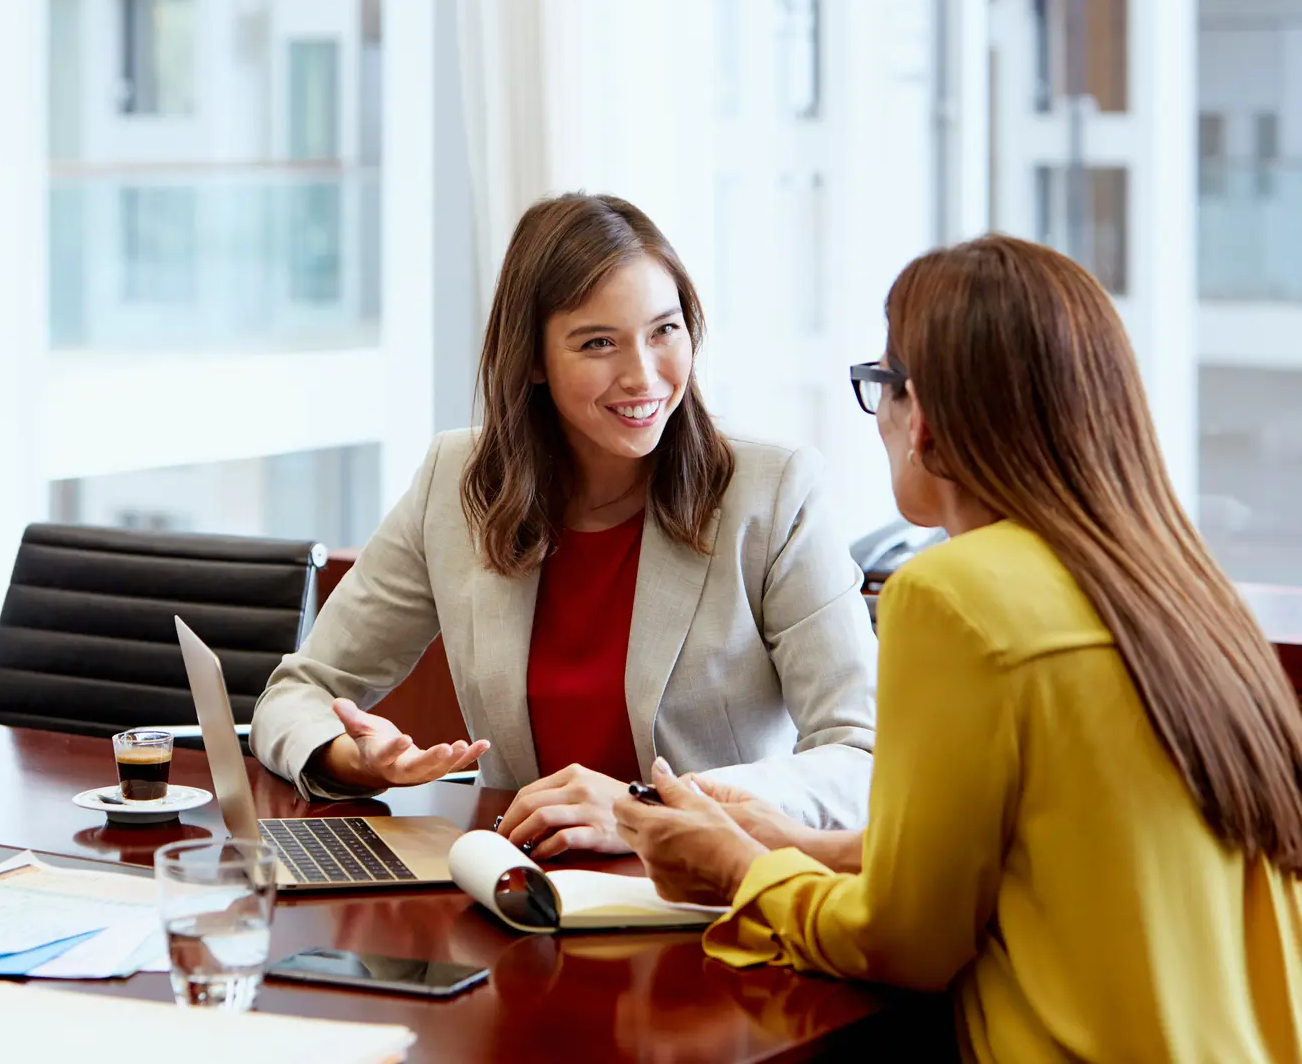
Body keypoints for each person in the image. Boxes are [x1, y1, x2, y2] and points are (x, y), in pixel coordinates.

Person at [616, 234, 1302, 1061]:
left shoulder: (950, 595)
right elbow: (1032, 857)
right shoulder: (1181, 589)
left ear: (925, 419)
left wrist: (733, 870)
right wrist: (786, 841)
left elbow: (904, 941)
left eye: (880, 389)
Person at [251, 192, 879, 858]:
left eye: (664, 330)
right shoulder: (455, 481)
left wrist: (642, 811)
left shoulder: (773, 491)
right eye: (598, 342)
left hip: (706, 902)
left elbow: (860, 757)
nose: (643, 374)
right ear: (531, 361)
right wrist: (353, 757)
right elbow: (298, 692)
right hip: (520, 897)